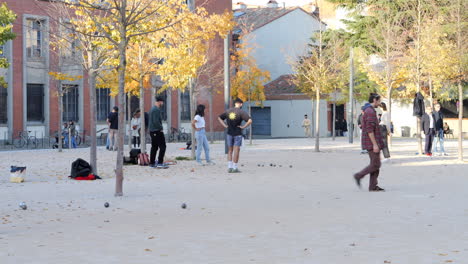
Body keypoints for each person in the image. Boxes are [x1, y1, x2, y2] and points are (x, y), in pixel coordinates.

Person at [353, 93, 385, 192]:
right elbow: (369, 130)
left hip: (371, 142)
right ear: (375, 100)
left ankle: (373, 186)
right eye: (379, 101)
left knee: (375, 164)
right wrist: (375, 144)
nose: (380, 103)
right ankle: (359, 175)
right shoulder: (370, 111)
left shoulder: (368, 110)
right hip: (371, 142)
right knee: (375, 165)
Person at [218, 98, 252, 173]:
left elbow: (219, 117)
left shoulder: (228, 111)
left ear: (234, 103)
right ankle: (235, 168)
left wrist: (225, 125)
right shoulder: (241, 112)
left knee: (230, 150)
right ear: (240, 104)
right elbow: (250, 121)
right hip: (237, 133)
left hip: (229, 133)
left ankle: (229, 167)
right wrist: (243, 127)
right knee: (236, 150)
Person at [149, 97, 168, 169]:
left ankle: (152, 163)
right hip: (157, 131)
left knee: (154, 147)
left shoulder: (152, 109)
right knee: (163, 146)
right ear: (160, 102)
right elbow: (156, 121)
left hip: (152, 131)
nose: (163, 103)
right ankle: (160, 162)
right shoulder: (156, 110)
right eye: (162, 102)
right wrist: (161, 128)